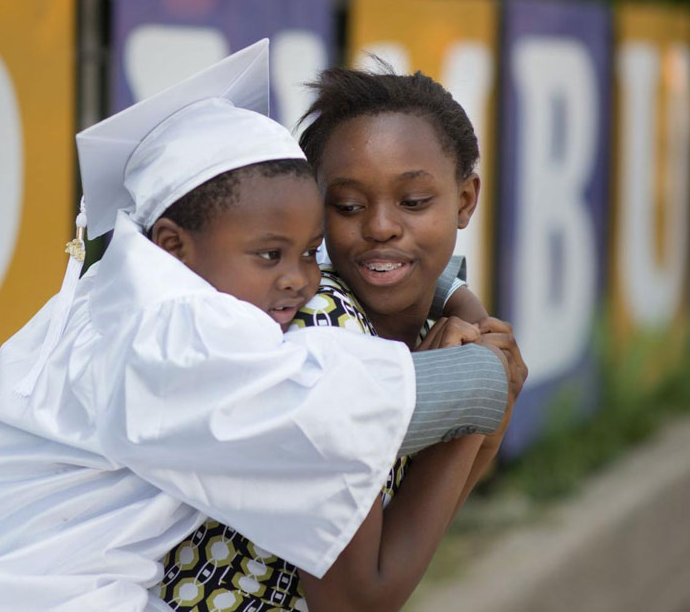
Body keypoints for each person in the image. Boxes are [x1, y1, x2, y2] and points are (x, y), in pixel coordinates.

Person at [0, 41, 511, 612]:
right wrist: (485, 380)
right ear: (171, 245)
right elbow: (337, 419)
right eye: (345, 209)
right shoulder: (181, 334)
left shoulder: (136, 293)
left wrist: (462, 309)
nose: (299, 276)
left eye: (306, 249)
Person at [155, 65, 526, 612]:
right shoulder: (322, 320)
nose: (380, 226)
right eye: (348, 207)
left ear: (466, 199)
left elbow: (410, 533)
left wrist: (484, 394)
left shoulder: (426, 328)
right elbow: (357, 601)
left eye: (414, 202)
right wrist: (481, 390)